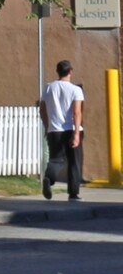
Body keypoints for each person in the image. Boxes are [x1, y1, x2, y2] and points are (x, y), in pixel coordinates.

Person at [41, 58, 85, 201]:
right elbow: (77, 112)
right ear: (70, 71)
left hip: (54, 130)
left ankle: (49, 178)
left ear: (57, 72)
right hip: (71, 128)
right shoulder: (76, 90)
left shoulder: (48, 87)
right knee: (74, 161)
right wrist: (77, 133)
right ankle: (73, 194)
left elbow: (42, 109)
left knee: (56, 159)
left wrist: (47, 126)